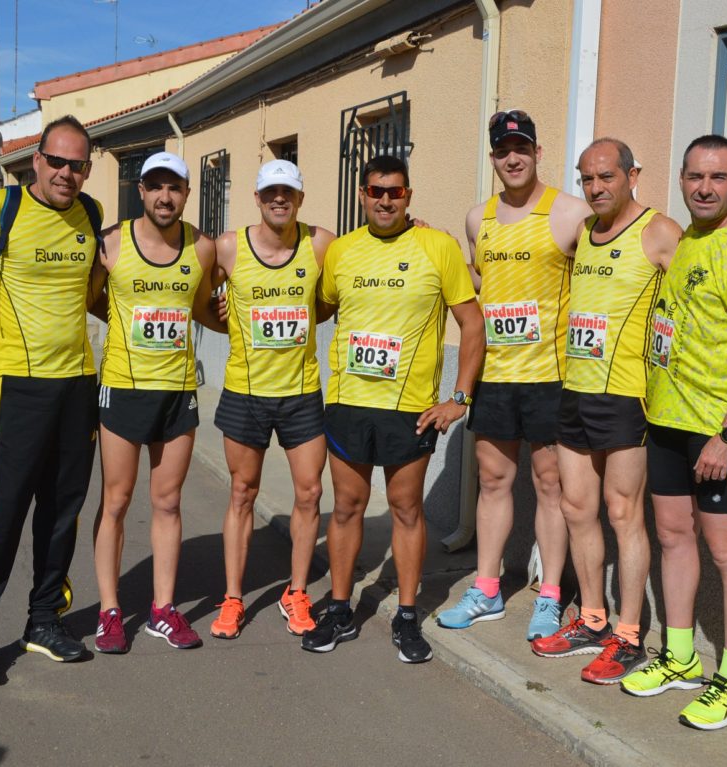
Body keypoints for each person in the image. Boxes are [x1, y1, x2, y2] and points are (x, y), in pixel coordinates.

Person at [619, 135, 727, 731]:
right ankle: (680, 655)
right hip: (666, 421)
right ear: (681, 181)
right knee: (673, 536)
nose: (704, 188)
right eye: (694, 177)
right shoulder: (687, 241)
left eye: (717, 178)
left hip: (719, 432)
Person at [301, 154, 484, 663]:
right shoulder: (340, 252)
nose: (385, 200)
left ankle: (407, 616)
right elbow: (317, 307)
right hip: (348, 403)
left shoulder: (437, 246)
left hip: (410, 408)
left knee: (406, 510)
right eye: (376, 191)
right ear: (362, 194)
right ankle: (340, 609)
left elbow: (473, 324)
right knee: (346, 509)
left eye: (396, 192)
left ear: (409, 196)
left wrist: (460, 399)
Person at [0, 115, 102, 686]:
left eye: (76, 164)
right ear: (36, 160)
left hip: (78, 383)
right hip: (16, 383)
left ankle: (43, 622)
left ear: (88, 168)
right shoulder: (0, 209)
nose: (64, 172)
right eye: (55, 160)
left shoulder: (92, 215)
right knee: (1, 511)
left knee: (62, 512)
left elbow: (92, 294)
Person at [529, 139, 680, 684]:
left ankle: (629, 634)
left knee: (622, 514)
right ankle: (591, 618)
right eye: (587, 179)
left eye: (607, 177)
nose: (596, 188)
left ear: (632, 174)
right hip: (575, 391)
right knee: (575, 507)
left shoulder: (659, 232)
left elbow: (691, 305)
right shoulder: (584, 234)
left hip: (627, 398)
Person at [437, 109, 589, 640]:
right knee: (494, 482)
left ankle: (549, 594)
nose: (513, 158)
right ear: (494, 157)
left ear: (538, 152)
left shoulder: (570, 212)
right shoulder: (478, 218)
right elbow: (482, 284)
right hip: (497, 375)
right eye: (503, 150)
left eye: (522, 147)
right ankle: (488, 588)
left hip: (551, 375)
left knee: (551, 485)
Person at [91, 151, 221, 654]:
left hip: (177, 391)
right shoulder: (112, 242)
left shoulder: (202, 248)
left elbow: (206, 309)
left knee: (167, 502)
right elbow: (90, 297)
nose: (165, 197)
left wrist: (231, 314)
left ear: (186, 194)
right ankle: (109, 610)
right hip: (123, 388)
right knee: (117, 502)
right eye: (155, 187)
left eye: (175, 188)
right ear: (140, 191)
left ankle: (163, 611)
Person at [206, 159, 335, 640]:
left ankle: (296, 592)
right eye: (270, 193)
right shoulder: (228, 248)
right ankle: (234, 597)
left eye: (288, 192)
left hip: (302, 394)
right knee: (242, 494)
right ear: (257, 199)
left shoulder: (320, 243)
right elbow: (198, 297)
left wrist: (416, 227)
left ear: (299, 198)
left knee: (310, 493)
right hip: (245, 393)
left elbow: (345, 283)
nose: (279, 199)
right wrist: (218, 317)